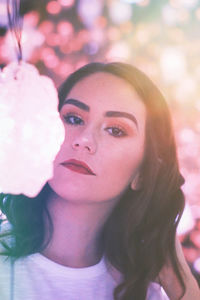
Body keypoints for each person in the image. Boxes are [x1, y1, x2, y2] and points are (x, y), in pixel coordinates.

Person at [0, 62, 199, 300]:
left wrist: (180, 283)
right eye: (73, 118)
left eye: (115, 130)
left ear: (143, 173)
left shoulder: (144, 292)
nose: (84, 140)